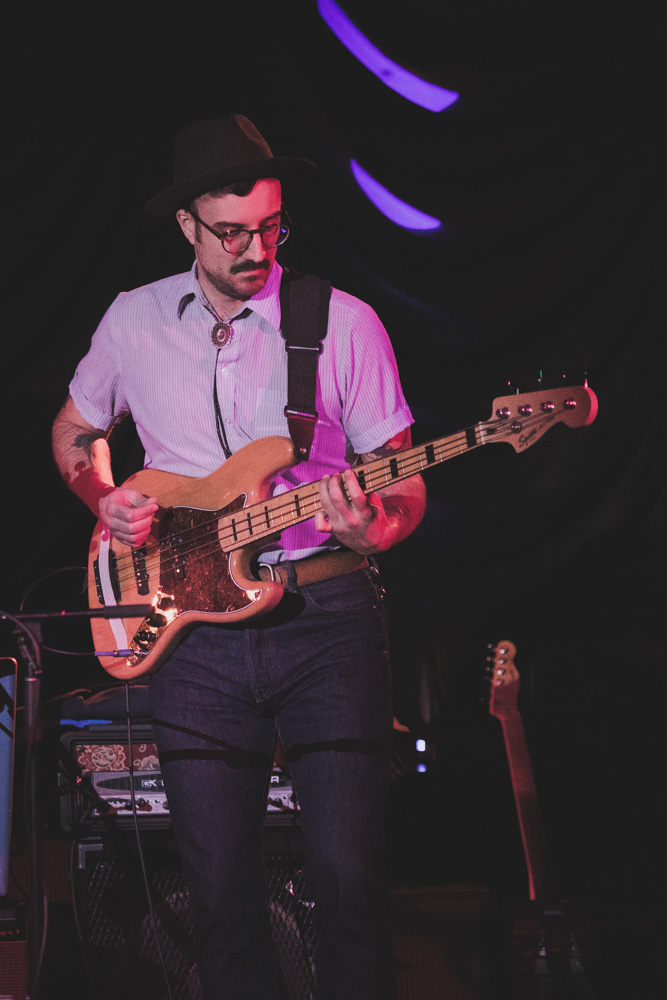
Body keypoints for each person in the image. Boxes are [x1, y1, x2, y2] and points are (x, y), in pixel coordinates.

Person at [52, 114, 426, 1000]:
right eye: (231, 232)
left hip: (326, 619)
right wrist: (105, 497)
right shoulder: (132, 321)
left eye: (269, 227)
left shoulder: (343, 322)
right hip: (189, 632)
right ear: (186, 224)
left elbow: (402, 484)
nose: (255, 248)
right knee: (216, 896)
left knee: (346, 883)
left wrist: (373, 530)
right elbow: (75, 430)